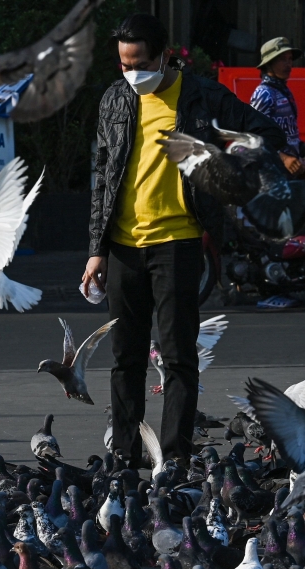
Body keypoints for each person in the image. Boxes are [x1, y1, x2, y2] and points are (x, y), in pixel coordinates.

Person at [82, 14, 284, 466]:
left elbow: (268, 134)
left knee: (177, 360)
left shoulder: (202, 95)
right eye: (123, 64)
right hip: (122, 248)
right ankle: (127, 456)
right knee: (125, 360)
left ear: (165, 56)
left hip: (179, 242)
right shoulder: (115, 99)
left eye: (140, 63)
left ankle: (172, 459)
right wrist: (96, 250)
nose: (132, 73)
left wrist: (225, 169)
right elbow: (102, 177)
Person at [250, 37, 304, 312]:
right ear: (269, 63)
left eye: (290, 58)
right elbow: (255, 135)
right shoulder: (264, 93)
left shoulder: (284, 91)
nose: (289, 63)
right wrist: (283, 157)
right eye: (283, 58)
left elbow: (291, 134)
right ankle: (274, 284)